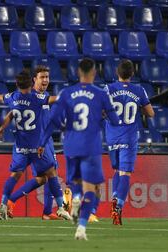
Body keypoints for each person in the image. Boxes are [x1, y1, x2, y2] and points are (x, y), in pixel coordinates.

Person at [38, 58, 120, 240]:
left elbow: (53, 121)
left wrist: (43, 142)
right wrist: (104, 115)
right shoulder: (100, 94)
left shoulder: (67, 93)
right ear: (94, 73)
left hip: (71, 144)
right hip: (91, 145)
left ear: (78, 73)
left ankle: (75, 196)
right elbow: (115, 121)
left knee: (75, 180)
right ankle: (81, 228)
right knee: (92, 188)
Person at [0, 70, 71, 221]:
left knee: (34, 176)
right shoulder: (38, 97)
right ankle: (57, 208)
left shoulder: (14, 96)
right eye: (42, 77)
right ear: (34, 81)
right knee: (50, 173)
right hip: (39, 143)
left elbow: (6, 105)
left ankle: (7, 203)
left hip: (27, 144)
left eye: (47, 77)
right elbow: (56, 100)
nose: (45, 80)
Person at [105, 59, 155, 225]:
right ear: (132, 74)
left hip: (112, 137)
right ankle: (118, 206)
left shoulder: (108, 89)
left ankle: (114, 198)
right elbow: (151, 114)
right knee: (125, 173)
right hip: (128, 136)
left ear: (117, 73)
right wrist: (139, 105)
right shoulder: (139, 90)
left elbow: (101, 112)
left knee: (119, 170)